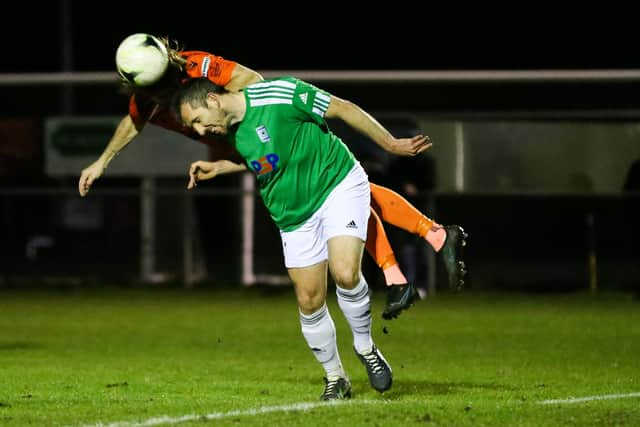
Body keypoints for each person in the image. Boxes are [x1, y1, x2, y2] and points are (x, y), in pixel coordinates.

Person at [77, 35, 467, 320]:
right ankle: (429, 241)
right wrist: (102, 162)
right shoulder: (146, 98)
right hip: (250, 148)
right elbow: (133, 122)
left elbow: (251, 80)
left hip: (270, 133)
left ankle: (400, 271)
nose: (159, 96)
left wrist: (266, 129)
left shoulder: (197, 67)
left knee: (345, 189)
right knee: (350, 193)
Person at [171, 75, 431, 399]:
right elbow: (270, 158)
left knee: (346, 272)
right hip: (293, 214)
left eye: (196, 121)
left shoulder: (279, 93)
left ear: (212, 100)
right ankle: (336, 377)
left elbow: (342, 108)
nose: (198, 131)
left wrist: (390, 144)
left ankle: (366, 349)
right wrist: (225, 167)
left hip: (337, 184)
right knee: (309, 299)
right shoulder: (232, 132)